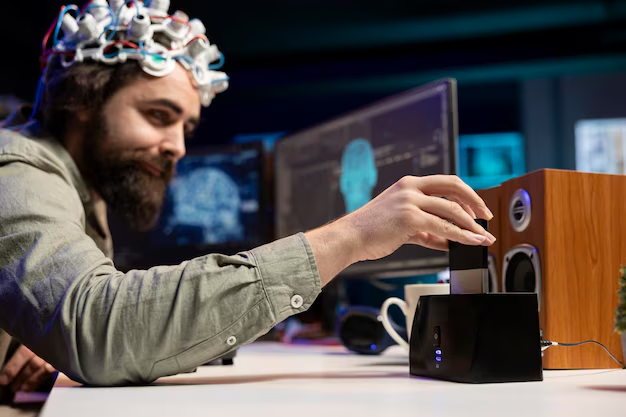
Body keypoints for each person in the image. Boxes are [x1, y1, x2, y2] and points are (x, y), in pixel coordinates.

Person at [0, 0, 496, 388]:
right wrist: (352, 236)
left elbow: (78, 328)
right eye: (158, 116)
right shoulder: (14, 167)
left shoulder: (78, 184)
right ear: (80, 101)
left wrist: (40, 337)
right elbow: (99, 328)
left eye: (186, 126)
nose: (177, 146)